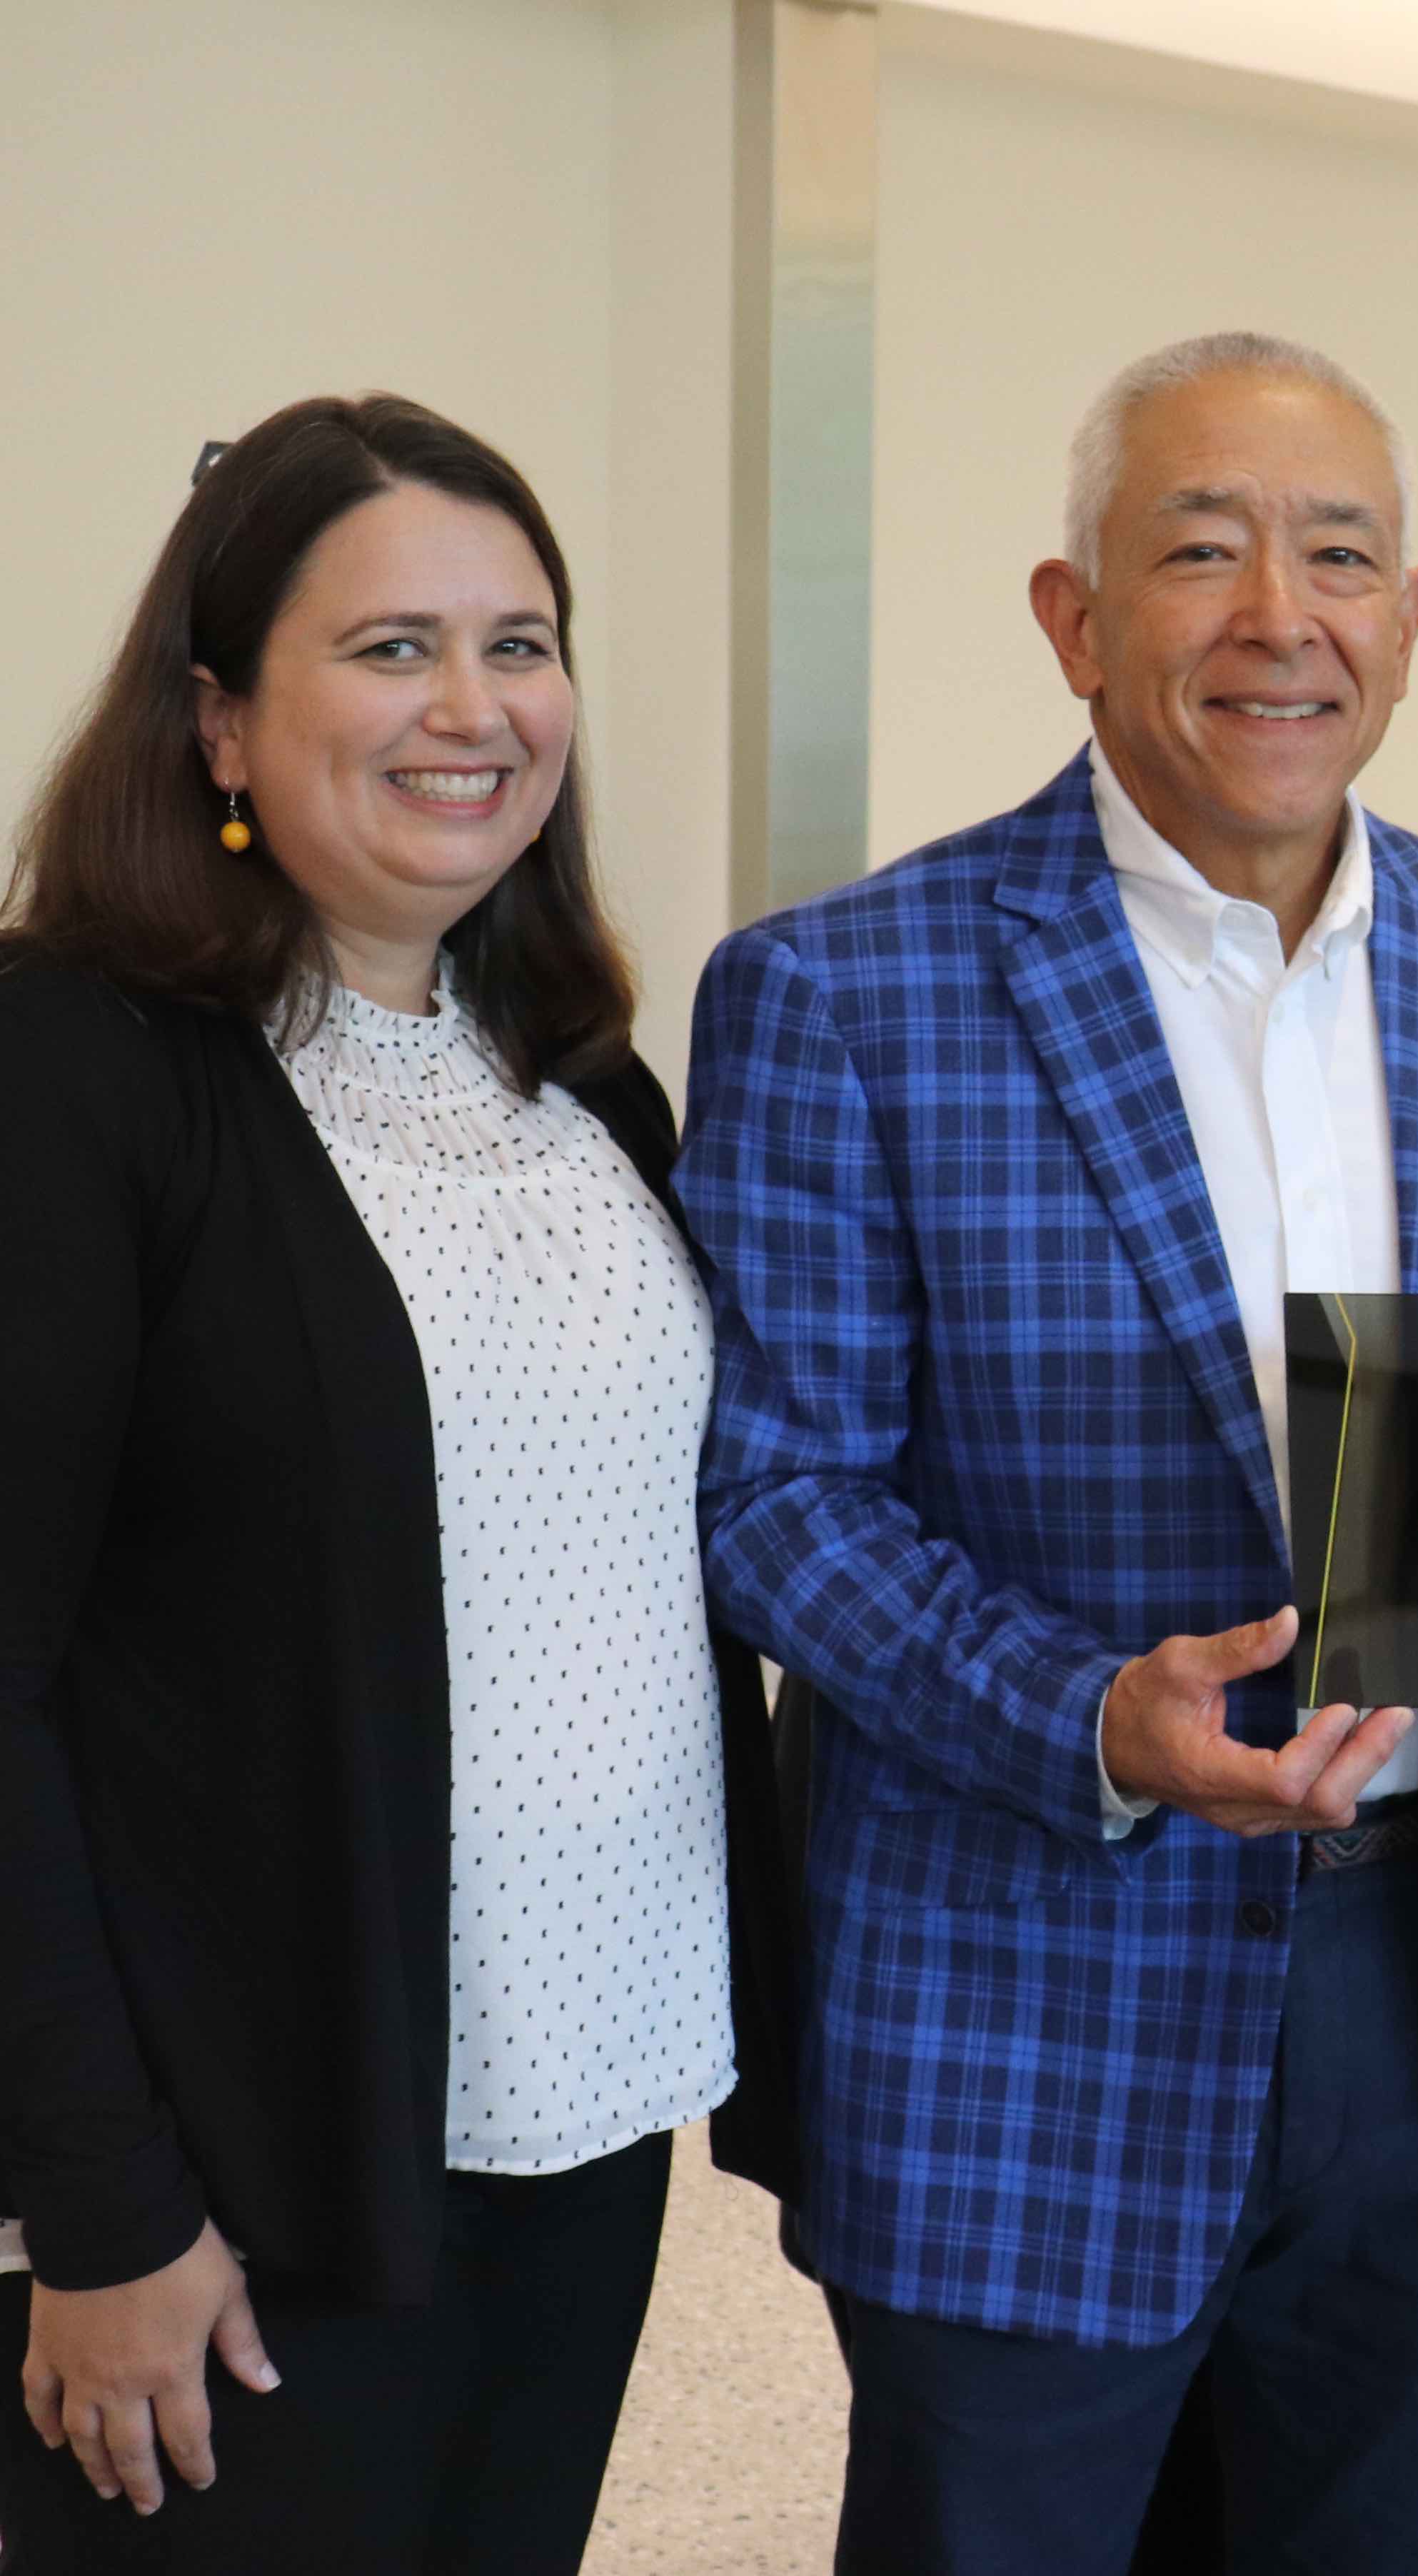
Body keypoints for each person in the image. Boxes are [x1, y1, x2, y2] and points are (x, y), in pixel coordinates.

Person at [678, 331, 1418, 2576]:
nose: (1276, 613)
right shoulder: (845, 987)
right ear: (1072, 616)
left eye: (1338, 556)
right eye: (1200, 551)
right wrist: (1089, 1714)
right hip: (1026, 1983)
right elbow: (772, 1491)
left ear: (1411, 620)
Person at [0, 396, 793, 2574]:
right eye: (390, 650)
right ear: (220, 723)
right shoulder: (77, 1068)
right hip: (249, 2153)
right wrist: (97, 2202)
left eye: (520, 644)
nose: (475, 710)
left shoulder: (582, 1080)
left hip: (586, 2099)